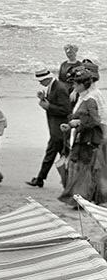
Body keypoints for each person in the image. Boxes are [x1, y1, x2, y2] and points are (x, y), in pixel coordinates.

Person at [58, 67, 106, 207]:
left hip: (88, 139)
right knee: (85, 168)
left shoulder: (89, 100)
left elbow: (95, 120)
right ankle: (82, 199)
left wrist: (77, 123)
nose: (72, 86)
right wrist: (72, 125)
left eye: (74, 84)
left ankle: (80, 200)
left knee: (83, 168)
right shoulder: (85, 96)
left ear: (81, 85)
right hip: (86, 137)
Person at [27, 68, 73, 188]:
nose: (39, 83)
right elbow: (57, 104)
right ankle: (42, 178)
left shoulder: (60, 88)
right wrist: (44, 99)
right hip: (56, 128)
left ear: (46, 79)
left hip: (59, 129)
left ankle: (42, 179)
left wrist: (48, 106)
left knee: (58, 154)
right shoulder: (53, 86)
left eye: (40, 81)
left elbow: (66, 110)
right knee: (61, 154)